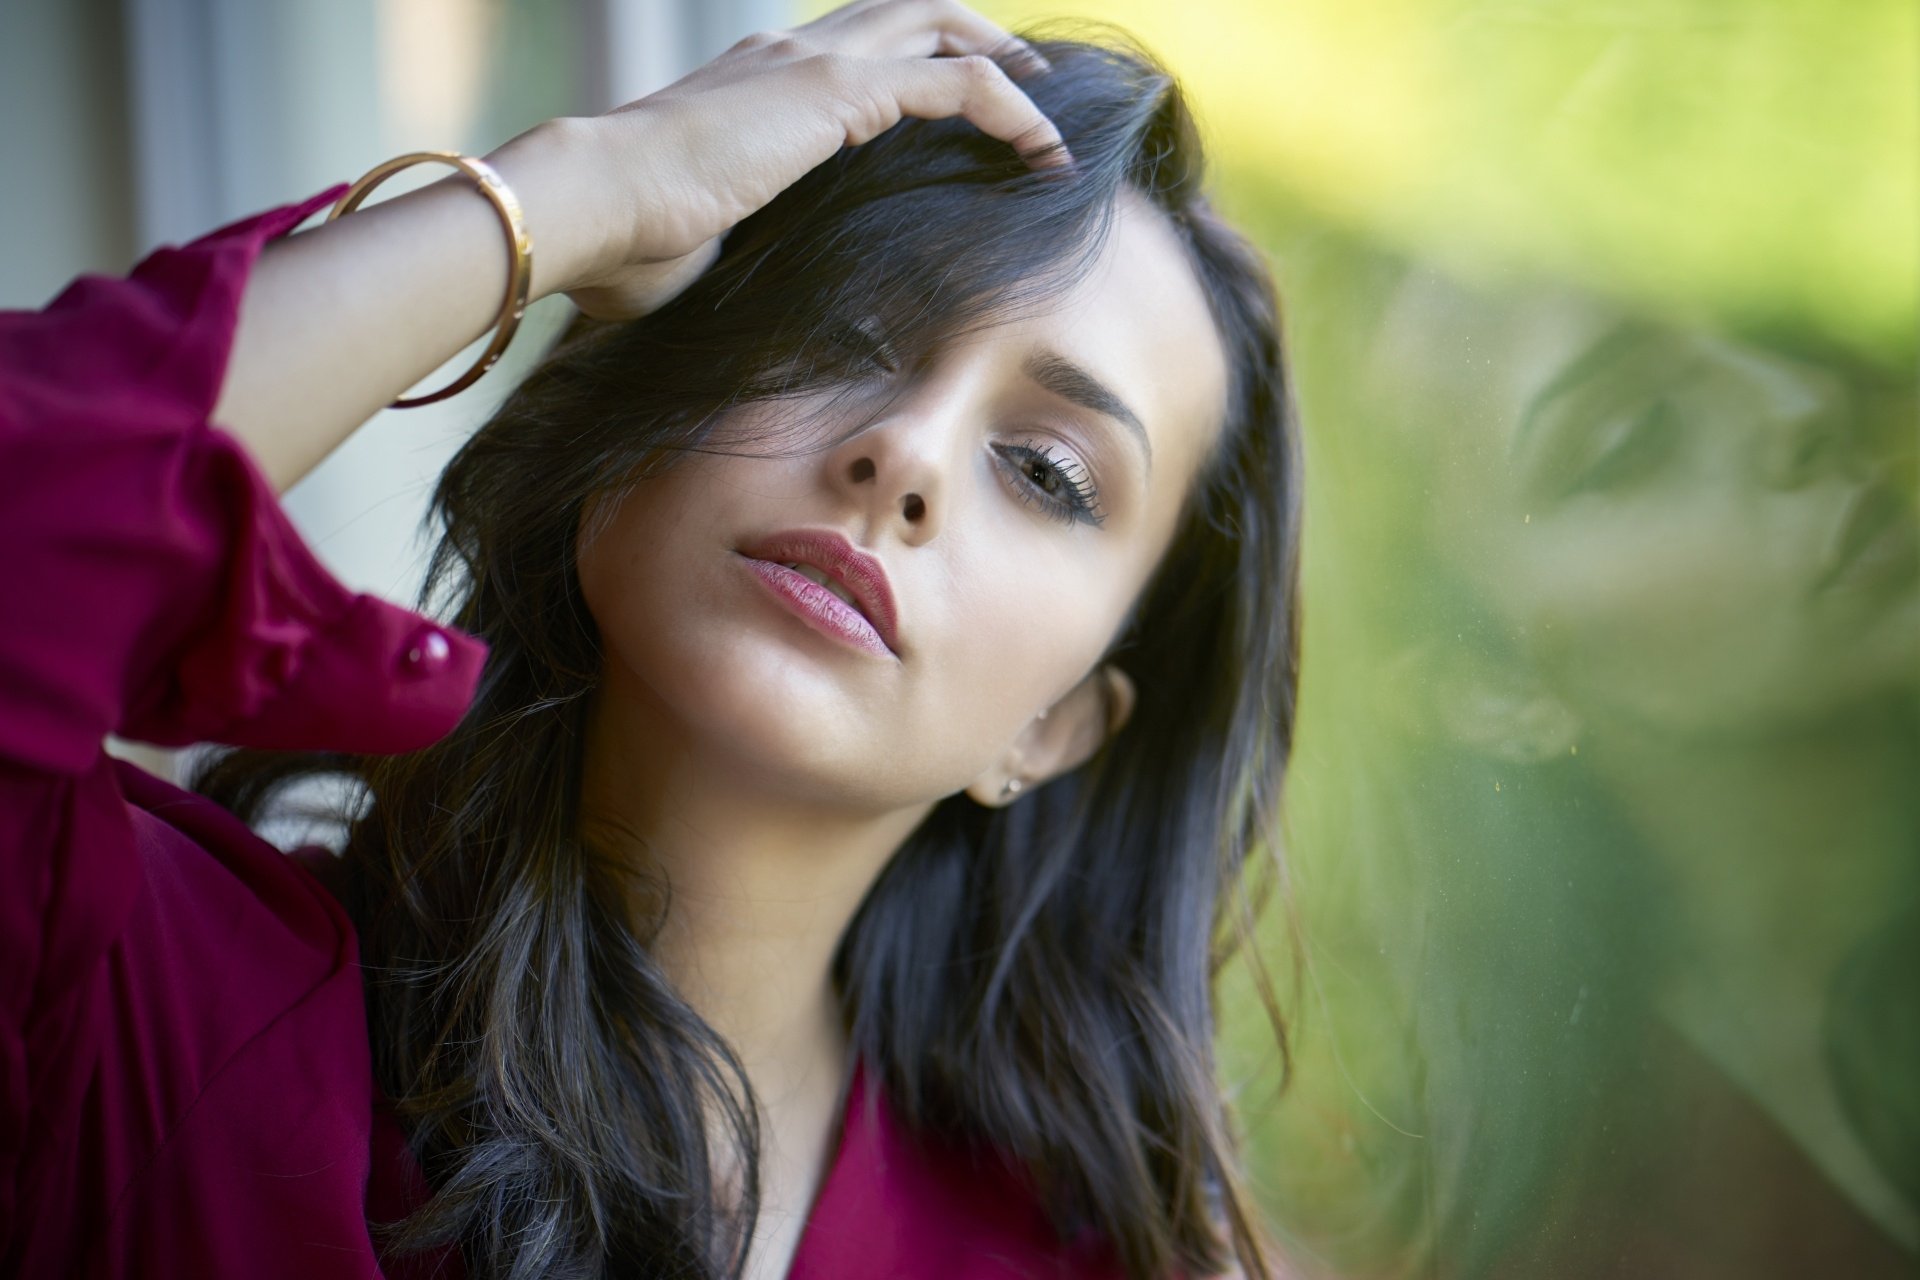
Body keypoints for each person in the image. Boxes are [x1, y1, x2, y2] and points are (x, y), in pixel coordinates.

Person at [0, 3, 1300, 1278]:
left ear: (1053, 727)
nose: (905, 454)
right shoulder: (156, 1013)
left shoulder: (1063, 1256)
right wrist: (582, 184)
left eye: (1047, 472)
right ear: (628, 409)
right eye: (847, 328)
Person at [1254, 252, 1917, 1277]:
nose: (1798, 404)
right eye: (1633, 437)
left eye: (1769, 317)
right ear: (1481, 681)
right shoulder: (1510, 1219)